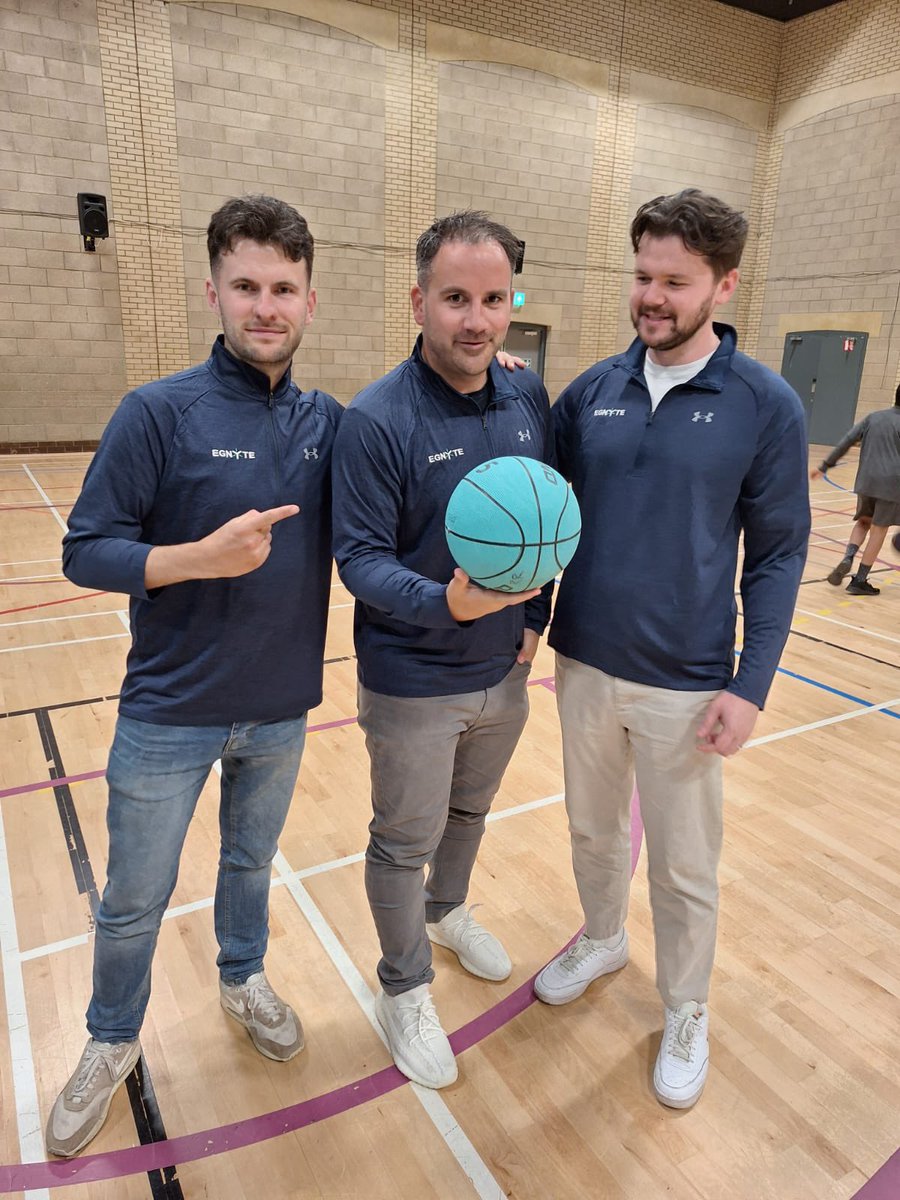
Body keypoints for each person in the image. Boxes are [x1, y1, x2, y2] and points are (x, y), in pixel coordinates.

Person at [46, 195, 342, 1157]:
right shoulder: (157, 412)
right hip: (168, 713)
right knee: (134, 897)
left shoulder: (327, 423)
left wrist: (492, 375)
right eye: (246, 285)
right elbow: (86, 551)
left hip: (280, 711)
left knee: (251, 865)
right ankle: (110, 1037)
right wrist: (193, 559)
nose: (266, 306)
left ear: (310, 300)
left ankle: (242, 976)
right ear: (211, 289)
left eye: (283, 288)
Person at [530, 189, 810, 1110]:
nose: (651, 297)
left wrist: (753, 682)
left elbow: (775, 554)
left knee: (686, 865)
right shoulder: (592, 393)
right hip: (583, 663)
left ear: (723, 285)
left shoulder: (763, 404)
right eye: (642, 275)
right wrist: (529, 632)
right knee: (590, 831)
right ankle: (603, 935)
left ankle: (685, 1005)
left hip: (689, 682)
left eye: (675, 282)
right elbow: (542, 525)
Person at [331, 211, 553, 1090]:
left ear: (512, 305)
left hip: (505, 672)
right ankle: (404, 988)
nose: (476, 319)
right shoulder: (377, 419)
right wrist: (448, 604)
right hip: (414, 680)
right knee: (402, 840)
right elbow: (359, 560)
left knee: (469, 818)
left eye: (494, 300)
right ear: (417, 300)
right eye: (455, 298)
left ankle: (450, 911)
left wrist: (531, 632)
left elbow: (553, 523)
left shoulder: (526, 394)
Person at [811, 385, 900, 595]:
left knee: (863, 522)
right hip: (892, 484)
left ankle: (848, 556)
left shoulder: (873, 417)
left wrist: (825, 465)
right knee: (879, 530)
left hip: (866, 481)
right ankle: (859, 581)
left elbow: (847, 440)